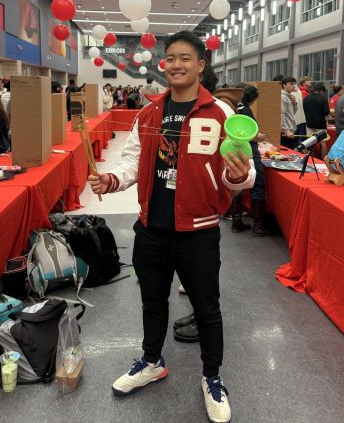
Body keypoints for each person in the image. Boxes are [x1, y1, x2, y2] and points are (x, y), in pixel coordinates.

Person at [88, 31, 255, 423]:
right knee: (152, 300)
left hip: (198, 231)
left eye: (185, 58)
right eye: (171, 58)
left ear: (201, 65)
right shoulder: (149, 112)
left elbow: (243, 178)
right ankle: (151, 361)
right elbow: (133, 160)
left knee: (206, 308)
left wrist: (238, 175)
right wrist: (113, 180)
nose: (176, 64)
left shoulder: (222, 115)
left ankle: (212, 377)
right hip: (152, 227)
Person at [235, 84, 269, 236]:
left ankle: (236, 222)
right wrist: (260, 136)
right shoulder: (246, 110)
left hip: (235, 149)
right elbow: (250, 135)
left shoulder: (235, 108)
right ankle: (258, 226)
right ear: (253, 98)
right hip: (249, 150)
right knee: (258, 184)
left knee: (238, 183)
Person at [303, 82, 330, 159]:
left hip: (309, 124)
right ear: (321, 90)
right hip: (320, 125)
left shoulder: (306, 98)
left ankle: (305, 159)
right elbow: (326, 112)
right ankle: (323, 161)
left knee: (307, 143)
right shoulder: (323, 98)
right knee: (323, 144)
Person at [280, 76, 298, 149]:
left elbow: (293, 113)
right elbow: (281, 115)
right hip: (285, 133)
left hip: (290, 130)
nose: (293, 86)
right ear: (284, 85)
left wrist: (295, 104)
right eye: (291, 84)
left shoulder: (289, 96)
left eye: (294, 84)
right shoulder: (282, 97)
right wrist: (286, 131)